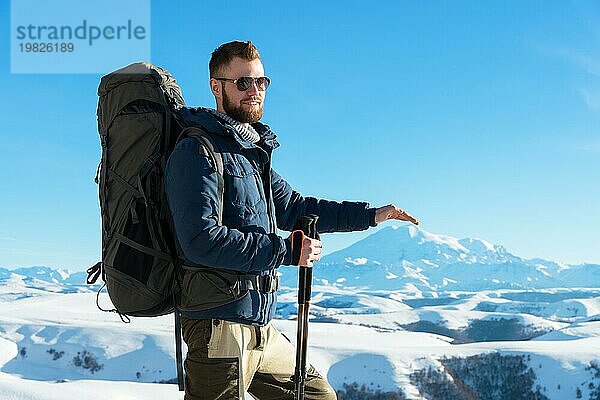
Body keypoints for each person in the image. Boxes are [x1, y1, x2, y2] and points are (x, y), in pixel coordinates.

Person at [165, 40, 419, 400]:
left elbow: (298, 207)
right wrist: (287, 250)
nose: (255, 91)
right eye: (243, 83)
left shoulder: (250, 156)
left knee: (316, 395)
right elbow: (201, 240)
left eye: (261, 82)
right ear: (216, 87)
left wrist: (371, 215)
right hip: (218, 324)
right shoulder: (197, 151)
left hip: (258, 323)